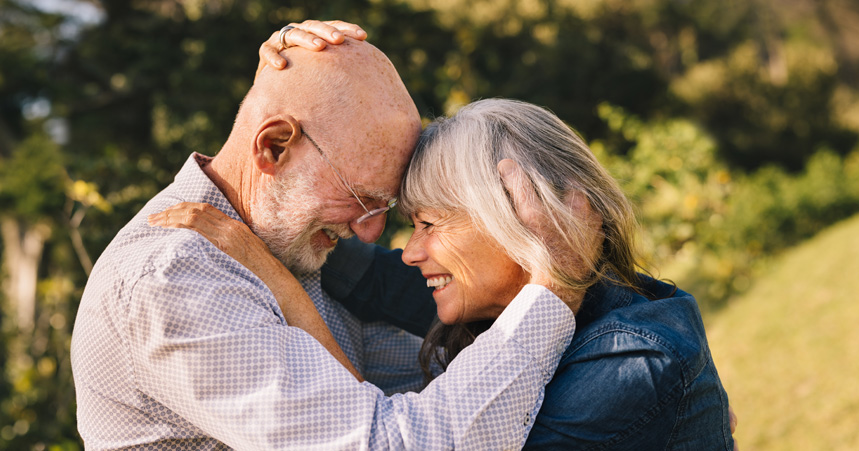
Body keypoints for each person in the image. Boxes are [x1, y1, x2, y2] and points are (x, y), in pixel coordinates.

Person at [72, 23, 593, 450]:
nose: (370, 232)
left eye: (386, 208)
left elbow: (427, 386)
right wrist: (558, 285)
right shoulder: (175, 277)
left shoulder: (289, 246)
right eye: (361, 197)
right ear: (273, 148)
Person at [154, 97, 735, 449]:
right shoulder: (505, 304)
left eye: (430, 223)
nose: (411, 251)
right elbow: (361, 272)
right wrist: (288, 76)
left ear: (521, 219)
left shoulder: (630, 361)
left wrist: (279, 285)